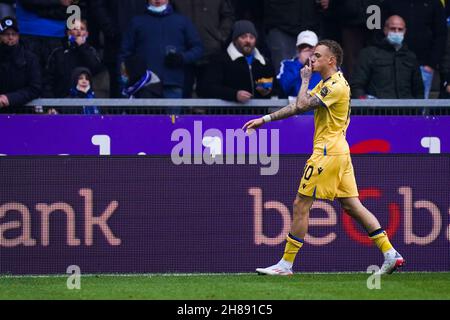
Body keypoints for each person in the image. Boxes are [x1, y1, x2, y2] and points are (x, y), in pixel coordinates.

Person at [243, 40, 405, 276]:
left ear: (331, 60)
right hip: (340, 150)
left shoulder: (335, 86)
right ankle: (391, 254)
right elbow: (296, 107)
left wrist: (305, 78)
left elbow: (300, 105)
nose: (312, 59)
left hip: (327, 152)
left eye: (317, 55)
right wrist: (264, 120)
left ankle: (285, 265)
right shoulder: (328, 83)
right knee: (352, 205)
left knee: (301, 204)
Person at [120, 0, 203, 104]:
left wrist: (182, 58)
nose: (158, 0)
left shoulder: (182, 21)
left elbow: (198, 48)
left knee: (173, 120)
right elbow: (124, 54)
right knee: (148, 120)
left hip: (173, 83)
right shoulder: (136, 22)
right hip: (144, 85)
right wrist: (126, 80)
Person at [382, 0, 447, 99]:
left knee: (420, 108)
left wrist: (431, 64)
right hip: (393, 64)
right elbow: (381, 30)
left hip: (423, 66)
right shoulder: (390, 3)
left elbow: (441, 35)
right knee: (393, 106)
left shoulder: (434, 3)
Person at [199, 20, 275, 103]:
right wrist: (234, 95)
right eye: (243, 37)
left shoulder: (263, 62)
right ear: (235, 40)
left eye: (251, 37)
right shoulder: (220, 60)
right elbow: (206, 88)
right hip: (228, 115)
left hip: (259, 114)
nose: (248, 41)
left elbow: (276, 89)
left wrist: (267, 91)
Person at [171, 0, 235, 97]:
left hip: (211, 51)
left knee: (210, 94)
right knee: (181, 94)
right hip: (183, 53)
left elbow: (228, 15)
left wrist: (221, 36)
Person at [351, 15, 424, 99]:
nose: (396, 32)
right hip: (378, 110)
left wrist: (418, 110)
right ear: (385, 30)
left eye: (400, 29)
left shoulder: (410, 57)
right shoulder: (369, 54)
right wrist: (366, 105)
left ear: (405, 31)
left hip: (406, 110)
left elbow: (419, 90)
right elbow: (357, 85)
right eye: (393, 29)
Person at [43, 19, 104, 98]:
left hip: (86, 102)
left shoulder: (91, 51)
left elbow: (96, 69)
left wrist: (82, 47)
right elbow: (48, 81)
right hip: (61, 101)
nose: (79, 32)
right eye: (75, 29)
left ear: (87, 34)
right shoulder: (58, 52)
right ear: (68, 33)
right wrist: (50, 105)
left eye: (82, 29)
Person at [0, 16, 41, 109]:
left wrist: (9, 98)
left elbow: (35, 88)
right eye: (6, 34)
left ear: (18, 36)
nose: (10, 37)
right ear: (0, 36)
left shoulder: (30, 58)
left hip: (23, 112)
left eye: (13, 34)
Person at [277, 30, 322, 99]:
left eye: (310, 47)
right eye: (302, 47)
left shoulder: (324, 65)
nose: (306, 50)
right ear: (297, 49)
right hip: (296, 108)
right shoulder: (287, 65)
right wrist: (300, 63)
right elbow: (284, 89)